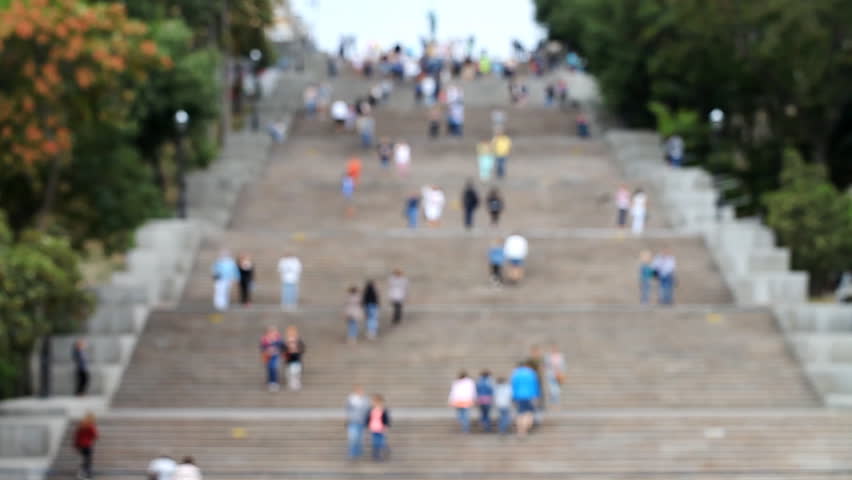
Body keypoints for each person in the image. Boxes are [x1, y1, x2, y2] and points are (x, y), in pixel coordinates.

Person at [510, 362, 540, 436]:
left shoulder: (515, 373)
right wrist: (536, 396)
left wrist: (513, 397)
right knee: (528, 413)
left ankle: (520, 430)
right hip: (530, 396)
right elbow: (535, 385)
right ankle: (525, 428)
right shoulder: (531, 373)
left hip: (518, 396)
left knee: (520, 413)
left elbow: (513, 385)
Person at [346, 386, 370, 459]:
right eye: (358, 390)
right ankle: (352, 453)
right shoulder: (351, 399)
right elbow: (347, 409)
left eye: (361, 390)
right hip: (353, 421)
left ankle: (358, 452)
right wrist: (349, 417)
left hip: (362, 421)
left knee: (360, 438)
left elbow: (367, 410)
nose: (360, 392)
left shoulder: (365, 399)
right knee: (353, 437)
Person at [365, 394, 391, 461]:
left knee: (381, 441)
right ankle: (376, 455)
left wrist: (386, 426)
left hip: (381, 428)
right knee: (375, 442)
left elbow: (386, 419)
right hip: (373, 428)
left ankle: (385, 450)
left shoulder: (383, 410)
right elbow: (368, 418)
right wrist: (367, 425)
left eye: (378, 401)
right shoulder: (371, 409)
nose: (376, 403)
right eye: (375, 401)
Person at [74, 412, 98, 479]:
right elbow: (95, 435)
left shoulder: (81, 425)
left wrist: (76, 444)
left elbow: (77, 436)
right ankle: (86, 473)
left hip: (80, 445)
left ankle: (82, 472)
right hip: (87, 445)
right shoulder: (90, 426)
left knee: (85, 459)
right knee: (88, 459)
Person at [260, 326, 283, 391]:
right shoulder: (265, 339)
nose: (272, 333)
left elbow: (281, 347)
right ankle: (270, 382)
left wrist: (276, 350)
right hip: (268, 356)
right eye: (271, 332)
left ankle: (275, 382)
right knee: (269, 368)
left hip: (275, 356)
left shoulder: (278, 339)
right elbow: (262, 348)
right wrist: (267, 351)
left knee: (274, 368)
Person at [283, 326, 305, 390]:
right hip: (289, 360)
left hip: (297, 359)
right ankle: (291, 383)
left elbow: (302, 348)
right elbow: (283, 350)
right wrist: (288, 349)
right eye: (290, 333)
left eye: (293, 332)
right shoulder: (286, 342)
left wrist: (297, 349)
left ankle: (297, 383)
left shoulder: (298, 340)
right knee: (290, 372)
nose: (291, 334)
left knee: (297, 371)